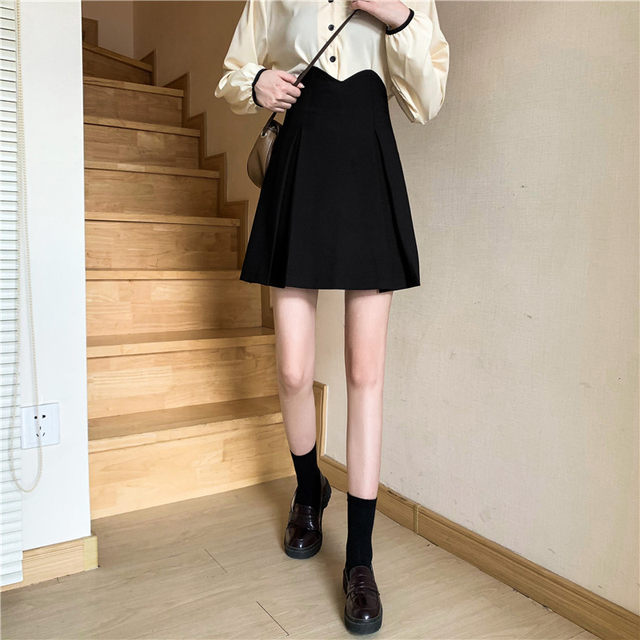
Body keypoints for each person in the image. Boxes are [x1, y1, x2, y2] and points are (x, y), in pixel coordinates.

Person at [215, 0, 449, 633]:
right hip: (299, 166)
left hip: (369, 163)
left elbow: (428, 98)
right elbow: (234, 71)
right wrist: (256, 85)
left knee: (365, 374)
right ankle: (308, 486)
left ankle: (361, 560)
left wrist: (397, 18)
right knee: (294, 370)